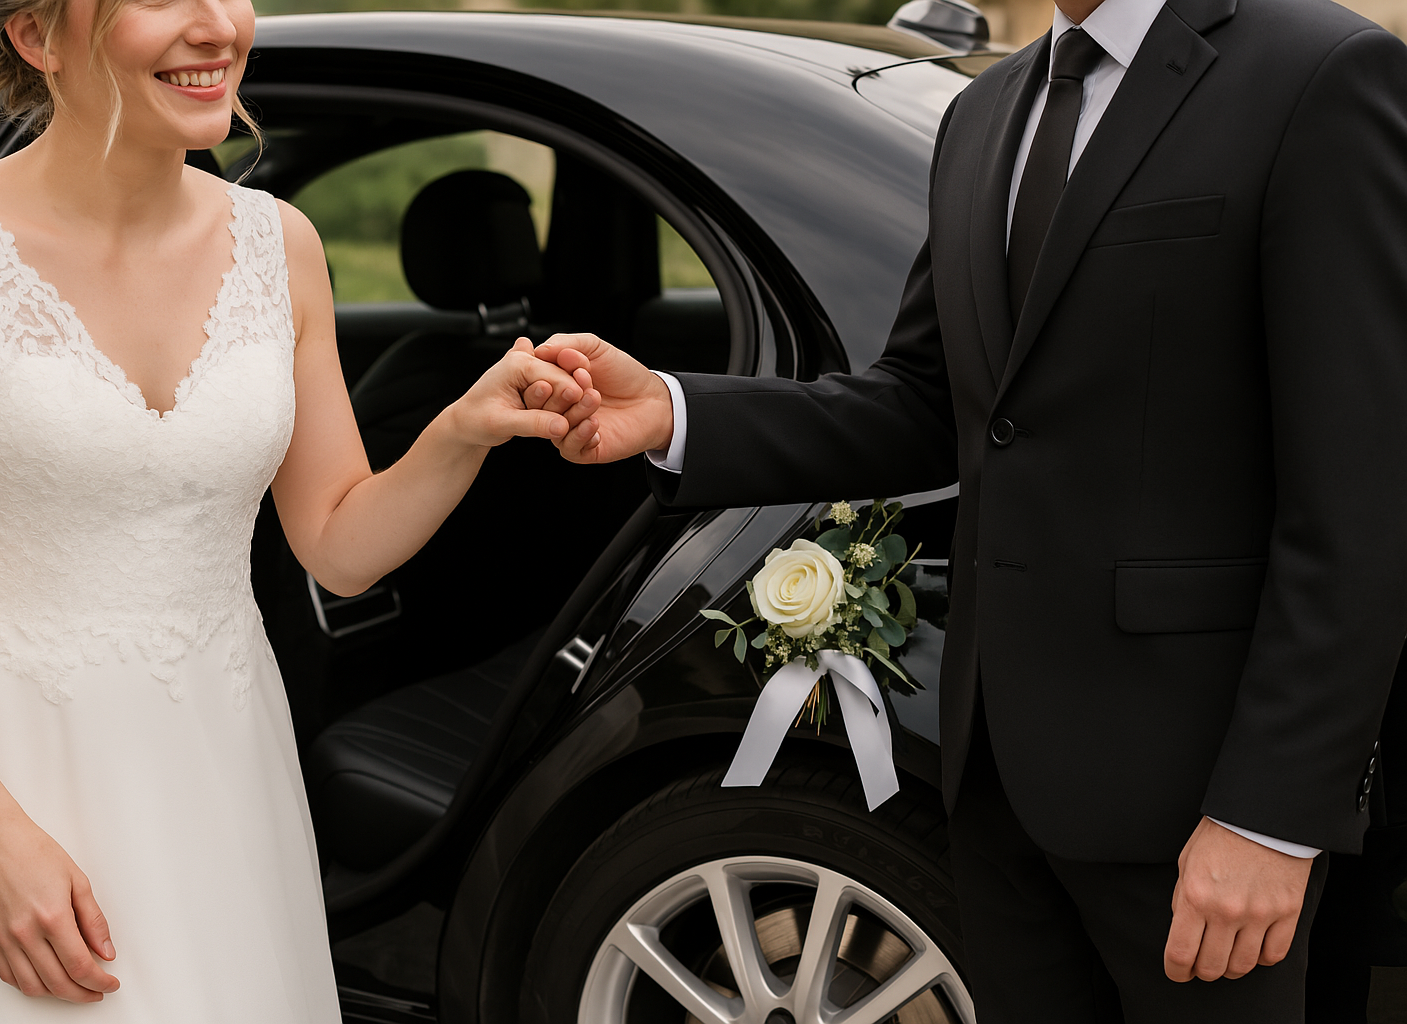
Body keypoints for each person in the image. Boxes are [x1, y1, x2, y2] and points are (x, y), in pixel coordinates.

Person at [524, 0, 1407, 1017]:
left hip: (1202, 808)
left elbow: (1364, 497)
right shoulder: (985, 115)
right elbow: (927, 402)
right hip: (994, 787)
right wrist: (673, 412)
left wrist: (1269, 816)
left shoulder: (1321, 73)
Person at [0, 0, 596, 1019]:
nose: (218, 25)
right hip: (3, 768)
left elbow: (340, 545)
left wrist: (460, 431)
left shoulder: (281, 244)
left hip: (223, 762)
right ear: (39, 36)